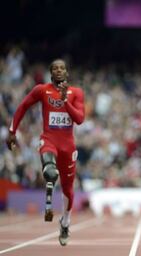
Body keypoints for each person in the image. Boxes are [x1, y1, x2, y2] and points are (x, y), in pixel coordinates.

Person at [6, 59, 85, 246]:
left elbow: (80, 119)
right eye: (55, 68)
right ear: (51, 73)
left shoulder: (77, 93)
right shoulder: (41, 90)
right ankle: (50, 180)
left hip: (68, 146)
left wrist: (65, 101)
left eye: (62, 68)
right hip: (49, 139)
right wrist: (11, 131)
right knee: (49, 170)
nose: (59, 71)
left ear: (66, 72)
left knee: (68, 190)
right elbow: (23, 106)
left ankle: (65, 221)